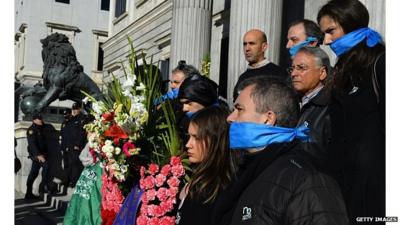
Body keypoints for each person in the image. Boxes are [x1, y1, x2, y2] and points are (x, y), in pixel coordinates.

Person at [212, 76, 348, 225]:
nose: (230, 118)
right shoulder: (247, 169)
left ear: (268, 118)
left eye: (239, 109)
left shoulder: (307, 179)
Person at [317, 0, 385, 222]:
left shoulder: (381, 63)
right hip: (341, 184)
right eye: (323, 33)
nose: (326, 41)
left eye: (331, 31)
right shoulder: (342, 67)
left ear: (351, 24)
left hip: (372, 188)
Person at [176, 106, 237, 225]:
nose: (188, 144)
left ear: (215, 140)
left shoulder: (211, 189)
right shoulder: (203, 179)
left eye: (196, 138)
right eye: (189, 137)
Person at [289, 46, 332, 172]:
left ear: (322, 73)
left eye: (301, 68)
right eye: (292, 68)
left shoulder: (330, 108)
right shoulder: (289, 102)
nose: (293, 73)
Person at [233, 29, 287, 100]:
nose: (247, 48)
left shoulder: (279, 74)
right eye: (245, 44)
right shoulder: (242, 78)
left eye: (252, 43)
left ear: (264, 47)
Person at [61, 102, 88, 187]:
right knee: (68, 164)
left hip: (76, 146)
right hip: (68, 146)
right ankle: (67, 180)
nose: (74, 111)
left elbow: (82, 133)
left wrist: (78, 144)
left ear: (80, 109)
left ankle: (74, 181)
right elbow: (65, 134)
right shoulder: (71, 119)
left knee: (75, 164)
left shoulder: (82, 119)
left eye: (76, 109)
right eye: (73, 109)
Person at [25, 113, 51, 199]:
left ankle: (41, 188)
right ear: (34, 120)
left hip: (44, 154)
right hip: (37, 156)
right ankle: (30, 193)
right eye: (39, 119)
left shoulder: (43, 128)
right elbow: (32, 144)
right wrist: (38, 155)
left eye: (41, 118)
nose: (41, 120)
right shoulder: (31, 130)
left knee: (40, 171)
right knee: (34, 173)